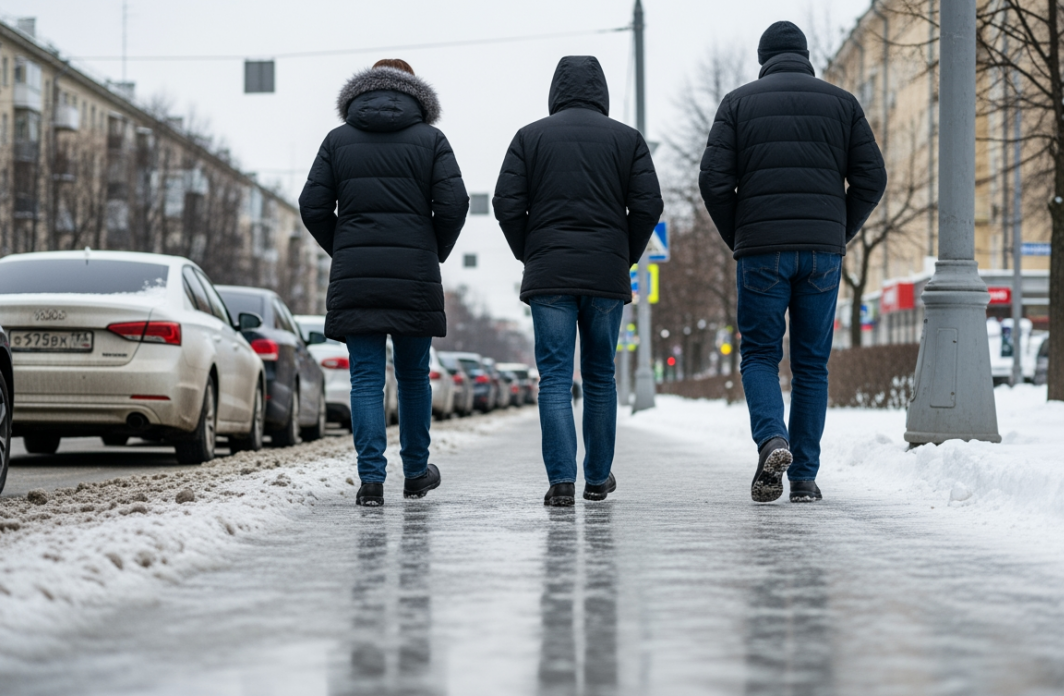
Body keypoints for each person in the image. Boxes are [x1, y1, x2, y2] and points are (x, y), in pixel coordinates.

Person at [699, 22, 886, 503]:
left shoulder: (738, 104)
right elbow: (872, 178)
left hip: (762, 249)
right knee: (811, 365)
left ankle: (772, 441)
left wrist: (739, 236)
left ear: (763, 59)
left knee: (760, 354)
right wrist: (836, 231)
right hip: (822, 252)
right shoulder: (842, 103)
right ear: (806, 56)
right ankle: (803, 477)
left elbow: (713, 182)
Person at [493, 56, 663, 507]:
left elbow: (506, 203)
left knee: (553, 378)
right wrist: (623, 254)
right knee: (601, 377)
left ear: (556, 90)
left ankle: (561, 482)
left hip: (549, 274)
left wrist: (528, 252)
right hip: (606, 273)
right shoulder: (627, 140)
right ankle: (597, 478)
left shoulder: (530, 138)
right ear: (601, 90)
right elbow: (648, 205)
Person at [299, 59, 469, 507]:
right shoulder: (431, 140)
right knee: (414, 377)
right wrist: (433, 251)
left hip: (357, 277)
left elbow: (312, 206)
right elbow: (454, 205)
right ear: (415, 93)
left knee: (366, 380)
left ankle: (371, 481)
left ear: (361, 92)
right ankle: (415, 473)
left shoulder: (338, 141)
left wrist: (346, 248)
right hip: (414, 274)